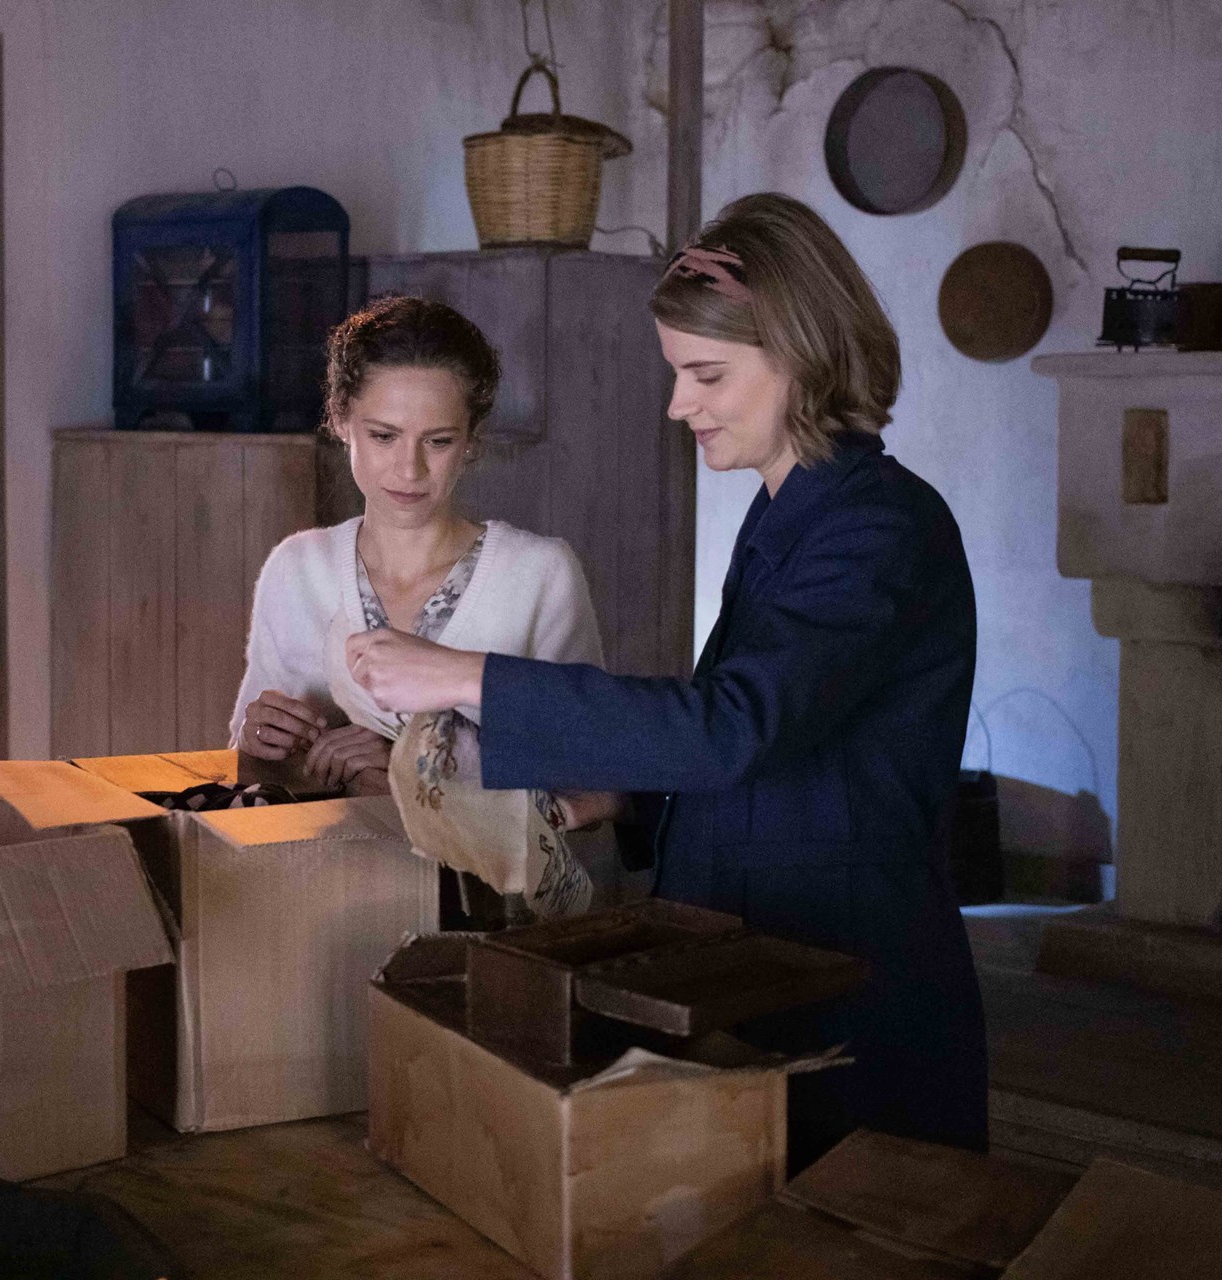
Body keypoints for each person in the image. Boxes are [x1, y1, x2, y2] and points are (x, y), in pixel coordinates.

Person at [343, 193, 989, 1170]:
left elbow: (735, 725)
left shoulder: (880, 525)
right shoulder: (790, 512)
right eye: (677, 372)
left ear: (803, 355)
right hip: (763, 959)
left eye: (707, 374)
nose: (680, 404)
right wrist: (624, 800)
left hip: (846, 975)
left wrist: (465, 675)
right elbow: (789, 744)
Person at [231, 294, 601, 804]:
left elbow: (589, 779)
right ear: (341, 419)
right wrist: (259, 740)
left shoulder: (539, 575)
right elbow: (248, 775)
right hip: (323, 855)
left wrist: (414, 763)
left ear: (471, 439)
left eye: (438, 441)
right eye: (384, 436)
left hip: (479, 862)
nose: (409, 470)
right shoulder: (296, 569)